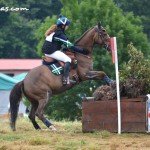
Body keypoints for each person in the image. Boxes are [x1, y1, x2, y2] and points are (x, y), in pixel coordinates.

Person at [42, 15, 89, 85]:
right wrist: (82, 50)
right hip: (51, 52)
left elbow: (57, 44)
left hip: (50, 50)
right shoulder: (60, 34)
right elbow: (70, 46)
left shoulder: (56, 32)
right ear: (63, 26)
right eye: (67, 25)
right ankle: (65, 79)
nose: (68, 27)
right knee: (68, 60)